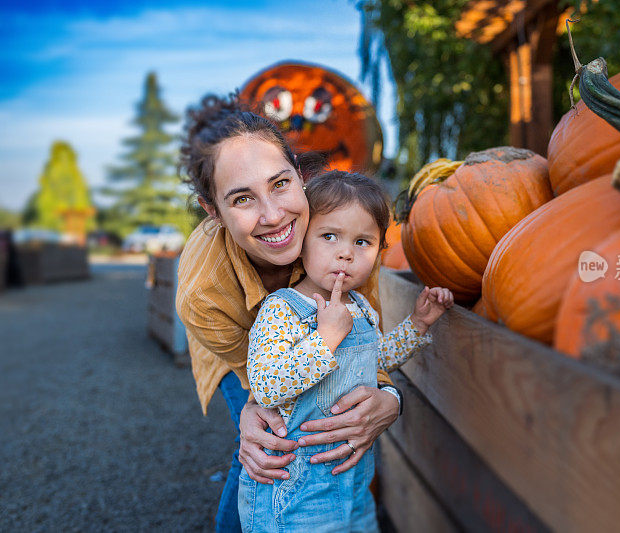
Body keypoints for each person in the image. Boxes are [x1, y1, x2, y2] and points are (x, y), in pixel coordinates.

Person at [176, 94, 406, 533]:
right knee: (262, 448)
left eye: (280, 184)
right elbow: (262, 380)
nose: (274, 215)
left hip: (322, 344)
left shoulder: (340, 235)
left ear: (300, 176)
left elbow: (363, 337)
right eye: (242, 199)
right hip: (238, 350)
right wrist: (252, 408)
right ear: (214, 211)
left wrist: (391, 399)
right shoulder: (203, 293)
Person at [240, 171, 454, 531]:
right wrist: (324, 339)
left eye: (362, 242)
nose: (345, 253)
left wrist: (418, 324)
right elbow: (266, 386)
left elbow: (374, 360)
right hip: (296, 487)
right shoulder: (282, 309)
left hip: (353, 477)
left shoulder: (359, 306)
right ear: (302, 240)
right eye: (329, 236)